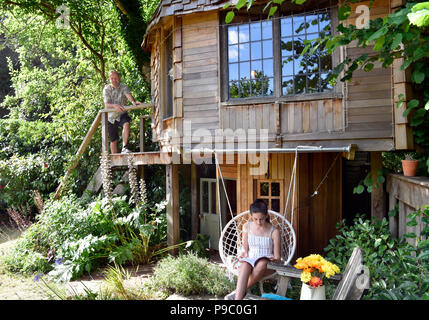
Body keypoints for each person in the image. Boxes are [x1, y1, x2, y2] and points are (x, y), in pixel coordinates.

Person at [225, 199, 281, 300]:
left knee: (262, 262)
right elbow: (245, 249)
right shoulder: (247, 226)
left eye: (261, 219)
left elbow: (278, 256)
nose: (258, 222)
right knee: (245, 264)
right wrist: (243, 253)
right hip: (251, 260)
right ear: (251, 215)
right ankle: (238, 299)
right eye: (255, 219)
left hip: (267, 264)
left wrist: (274, 258)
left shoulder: (274, 231)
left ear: (266, 215)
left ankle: (237, 293)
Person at [102, 70, 142, 153]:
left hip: (122, 113)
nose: (114, 80)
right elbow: (106, 104)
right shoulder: (106, 89)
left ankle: (124, 147)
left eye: (116, 78)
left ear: (119, 78)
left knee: (126, 123)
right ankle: (115, 163)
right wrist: (114, 106)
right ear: (110, 79)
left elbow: (129, 96)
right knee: (113, 140)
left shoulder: (124, 87)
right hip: (111, 117)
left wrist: (133, 102)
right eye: (112, 78)